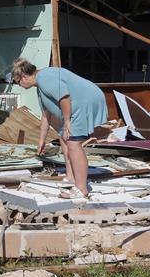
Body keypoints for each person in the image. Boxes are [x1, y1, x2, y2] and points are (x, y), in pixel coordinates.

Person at [9, 58, 107, 196]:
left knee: (73, 143)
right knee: (63, 137)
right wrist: (41, 141)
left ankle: (81, 188)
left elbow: (64, 98)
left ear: (24, 77)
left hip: (84, 102)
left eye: (17, 82)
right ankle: (71, 177)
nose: (18, 85)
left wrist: (67, 122)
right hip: (76, 104)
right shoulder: (39, 86)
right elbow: (46, 116)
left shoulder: (44, 79)